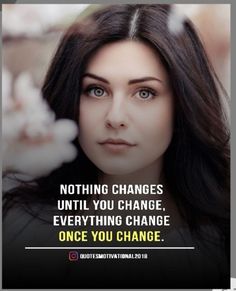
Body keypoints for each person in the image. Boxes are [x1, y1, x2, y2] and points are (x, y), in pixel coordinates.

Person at [3, 4, 230, 289]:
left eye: (145, 93)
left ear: (183, 104)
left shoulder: (220, 244)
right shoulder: (18, 228)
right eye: (96, 90)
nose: (115, 118)